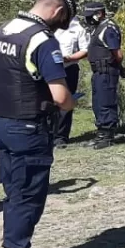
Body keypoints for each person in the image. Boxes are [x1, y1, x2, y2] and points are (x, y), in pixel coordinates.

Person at [0, 0, 77, 248]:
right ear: (58, 11)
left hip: (2, 122)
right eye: (62, 20)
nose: (60, 26)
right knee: (28, 198)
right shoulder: (41, 40)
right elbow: (61, 97)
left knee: (15, 194)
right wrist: (71, 103)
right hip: (27, 128)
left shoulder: (3, 31)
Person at [84, 2, 123, 149]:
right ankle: (101, 133)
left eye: (90, 16)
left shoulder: (108, 29)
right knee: (98, 103)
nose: (88, 19)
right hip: (98, 72)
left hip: (106, 71)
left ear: (99, 14)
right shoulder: (97, 28)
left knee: (106, 103)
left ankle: (107, 136)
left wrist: (116, 67)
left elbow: (117, 54)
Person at [53, 8, 90, 147]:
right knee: (48, 102)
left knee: (66, 102)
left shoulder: (78, 29)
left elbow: (85, 50)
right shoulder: (50, 26)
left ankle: (60, 137)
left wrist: (68, 58)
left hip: (69, 68)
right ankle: (47, 134)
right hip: (50, 69)